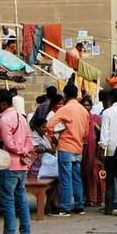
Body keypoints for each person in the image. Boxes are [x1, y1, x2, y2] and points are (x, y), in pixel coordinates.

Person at [0, 89, 34, 234]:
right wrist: (25, 150)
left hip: (9, 165)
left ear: (3, 103)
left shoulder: (4, 119)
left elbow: (8, 144)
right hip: (22, 166)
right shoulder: (21, 118)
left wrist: (20, 150)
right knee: (21, 201)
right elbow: (30, 139)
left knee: (8, 202)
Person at [45, 84, 89, 215]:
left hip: (66, 146)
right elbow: (86, 133)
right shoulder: (83, 110)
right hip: (78, 147)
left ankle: (65, 207)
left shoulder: (65, 109)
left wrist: (54, 137)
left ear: (66, 95)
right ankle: (79, 205)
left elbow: (49, 125)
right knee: (76, 178)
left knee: (66, 179)